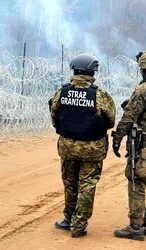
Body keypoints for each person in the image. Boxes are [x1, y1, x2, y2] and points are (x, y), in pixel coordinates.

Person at [49, 54, 116, 237]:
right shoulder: (100, 95)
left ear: (74, 70)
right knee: (87, 185)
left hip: (68, 146)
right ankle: (78, 226)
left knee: (70, 184)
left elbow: (54, 116)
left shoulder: (61, 92)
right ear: (92, 71)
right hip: (92, 148)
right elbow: (110, 121)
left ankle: (67, 219)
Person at [112, 51, 146, 241]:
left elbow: (129, 117)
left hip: (143, 145)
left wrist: (117, 138)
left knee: (137, 181)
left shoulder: (143, 90)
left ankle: (135, 227)